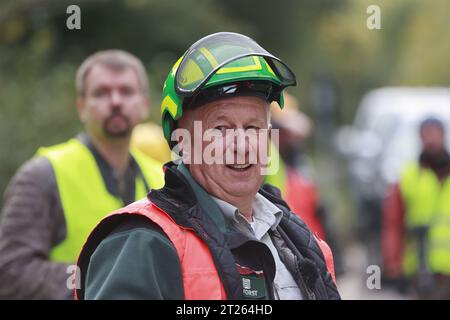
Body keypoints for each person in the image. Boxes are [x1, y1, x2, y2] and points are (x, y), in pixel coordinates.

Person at [76, 32, 340, 300]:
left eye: (253, 127)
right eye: (221, 128)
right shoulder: (143, 243)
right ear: (182, 141)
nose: (242, 145)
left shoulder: (301, 241)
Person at [0, 50, 164, 299]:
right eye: (101, 93)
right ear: (81, 107)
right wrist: (102, 276)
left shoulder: (163, 180)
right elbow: (10, 271)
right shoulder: (42, 174)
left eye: (126, 91)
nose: (116, 101)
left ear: (144, 105)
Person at [382, 117, 450, 299]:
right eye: (426, 134)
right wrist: (394, 266)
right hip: (422, 271)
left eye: (435, 134)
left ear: (443, 135)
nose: (431, 140)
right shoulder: (407, 176)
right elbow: (393, 224)